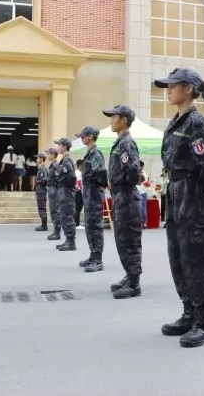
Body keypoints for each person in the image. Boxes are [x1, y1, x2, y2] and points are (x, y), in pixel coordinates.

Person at [154, 67, 204, 348]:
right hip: (175, 196)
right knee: (179, 258)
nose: (168, 90)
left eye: (173, 86)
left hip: (192, 197)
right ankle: (188, 313)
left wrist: (200, 189)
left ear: (189, 90)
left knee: (197, 261)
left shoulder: (196, 123)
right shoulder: (175, 122)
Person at [103, 105, 143, 299]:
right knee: (121, 239)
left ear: (124, 120)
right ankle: (129, 275)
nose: (111, 120)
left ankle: (134, 283)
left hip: (126, 196)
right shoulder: (120, 143)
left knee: (130, 240)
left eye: (114, 117)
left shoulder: (127, 143)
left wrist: (122, 185)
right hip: (120, 196)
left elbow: (134, 171)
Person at [75, 127, 108, 273]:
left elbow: (101, 173)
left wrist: (96, 189)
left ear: (90, 137)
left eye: (83, 136)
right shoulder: (89, 153)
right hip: (88, 196)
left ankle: (97, 259)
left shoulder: (95, 153)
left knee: (95, 228)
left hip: (94, 196)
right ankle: (92, 255)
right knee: (89, 227)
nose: (81, 138)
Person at [54, 138, 77, 251]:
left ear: (64, 147)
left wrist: (68, 187)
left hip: (67, 191)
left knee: (67, 216)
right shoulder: (63, 159)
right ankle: (68, 239)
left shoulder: (67, 161)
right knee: (64, 216)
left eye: (59, 145)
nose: (57, 148)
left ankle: (71, 242)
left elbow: (71, 177)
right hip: (63, 190)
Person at [46, 148, 62, 241]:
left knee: (55, 211)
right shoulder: (52, 165)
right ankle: (56, 231)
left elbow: (58, 178)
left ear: (53, 155)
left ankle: (57, 232)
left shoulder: (55, 165)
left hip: (55, 190)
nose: (47, 155)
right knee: (53, 211)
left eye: (48, 153)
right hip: (52, 189)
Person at [34, 153, 48, 231]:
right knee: (41, 207)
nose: (37, 160)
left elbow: (45, 180)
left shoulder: (43, 169)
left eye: (38, 158)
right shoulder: (40, 168)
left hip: (41, 190)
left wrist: (39, 183)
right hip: (39, 190)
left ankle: (44, 225)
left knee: (42, 207)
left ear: (42, 159)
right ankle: (43, 224)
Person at [75, 159, 84, 229]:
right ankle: (77, 224)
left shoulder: (76, 172)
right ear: (80, 165)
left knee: (78, 208)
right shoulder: (78, 173)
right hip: (78, 192)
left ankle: (76, 223)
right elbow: (79, 184)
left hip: (77, 191)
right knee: (78, 208)